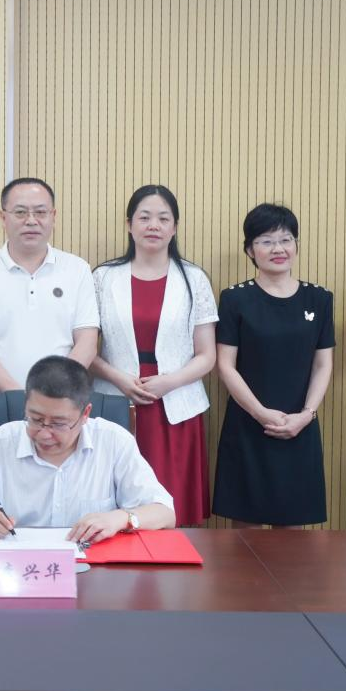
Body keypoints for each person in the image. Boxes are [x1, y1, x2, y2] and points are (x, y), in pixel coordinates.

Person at [0, 356, 174, 541]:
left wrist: (120, 518)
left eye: (58, 424)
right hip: (18, 573)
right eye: (35, 419)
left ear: (85, 414)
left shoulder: (113, 441)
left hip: (93, 575)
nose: (44, 433)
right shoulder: (0, 443)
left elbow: (164, 512)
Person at [90, 184, 217, 526]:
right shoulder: (103, 277)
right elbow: (86, 349)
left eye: (163, 218)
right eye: (144, 217)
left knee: (173, 509)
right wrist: (119, 378)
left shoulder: (193, 278)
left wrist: (168, 382)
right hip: (116, 397)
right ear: (129, 224)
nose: (153, 226)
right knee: (116, 499)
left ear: (175, 227)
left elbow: (207, 355)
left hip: (175, 403)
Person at [212, 204, 334, 528]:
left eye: (286, 239)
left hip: (300, 424)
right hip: (248, 423)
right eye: (266, 241)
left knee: (293, 535)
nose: (278, 249)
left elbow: (323, 365)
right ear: (250, 250)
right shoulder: (235, 299)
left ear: (296, 245)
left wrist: (307, 415)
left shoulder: (319, 299)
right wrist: (260, 413)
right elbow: (225, 365)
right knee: (245, 535)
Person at [0, 177, 99, 395]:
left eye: (40, 212)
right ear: (3, 217)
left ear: (53, 216)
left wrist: (53, 395)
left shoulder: (77, 269)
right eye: (20, 212)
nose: (31, 221)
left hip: (62, 400)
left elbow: (87, 343)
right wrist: (19, 398)